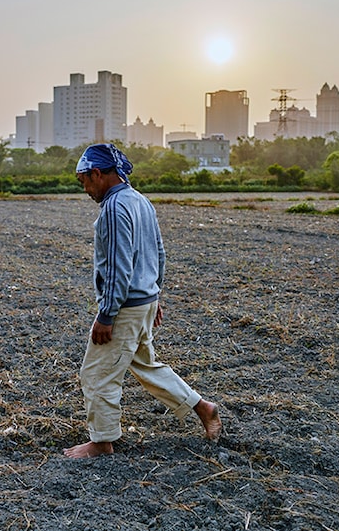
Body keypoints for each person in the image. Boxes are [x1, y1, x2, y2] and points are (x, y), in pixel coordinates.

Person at [63, 143, 222, 459]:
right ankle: (204, 408)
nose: (84, 189)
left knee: (96, 373)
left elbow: (119, 265)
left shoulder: (114, 207)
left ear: (97, 173)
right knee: (146, 365)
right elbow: (159, 254)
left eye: (84, 181)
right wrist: (155, 295)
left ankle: (102, 442)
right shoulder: (141, 202)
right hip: (143, 301)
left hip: (126, 306)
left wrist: (106, 315)